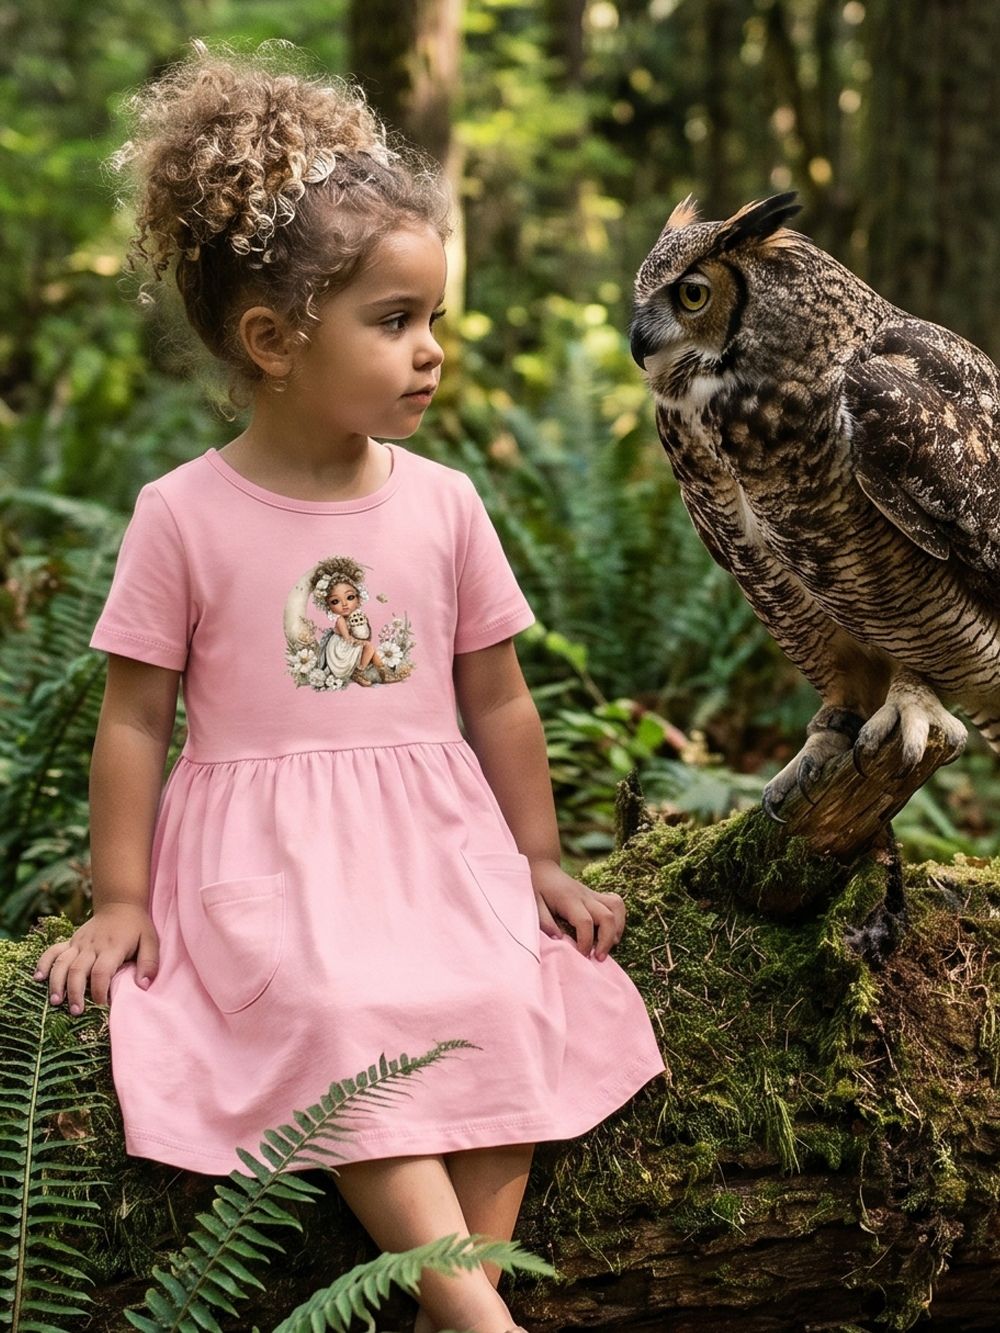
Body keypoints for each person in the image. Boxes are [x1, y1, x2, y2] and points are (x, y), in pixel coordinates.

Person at [33, 41, 665, 1333]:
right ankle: (480, 1316)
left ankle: (448, 1308)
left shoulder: (444, 505)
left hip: (435, 847)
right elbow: (136, 715)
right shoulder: (184, 515)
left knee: (500, 998)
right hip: (268, 863)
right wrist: (117, 895)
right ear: (273, 339)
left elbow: (496, 696)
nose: (431, 350)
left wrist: (539, 857)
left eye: (433, 318)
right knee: (335, 1017)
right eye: (394, 321)